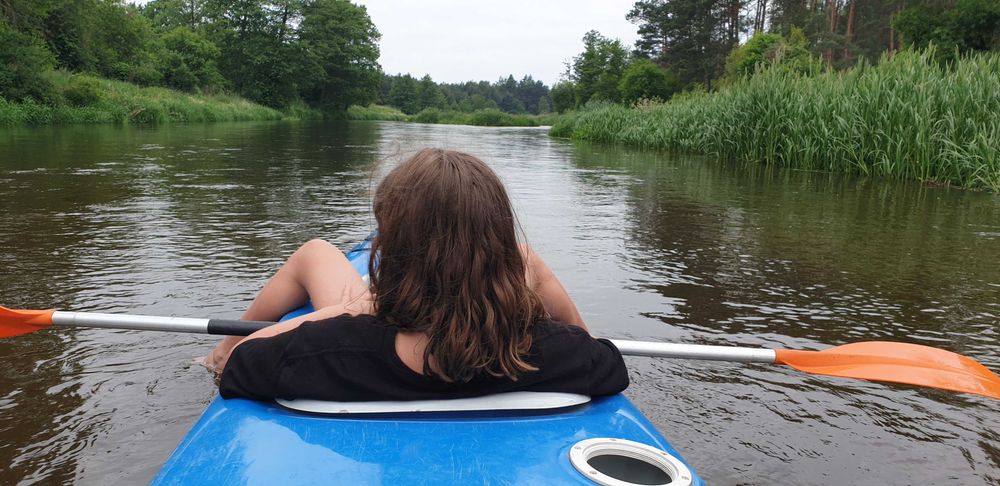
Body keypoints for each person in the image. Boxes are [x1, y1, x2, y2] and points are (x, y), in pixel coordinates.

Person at [207, 148, 628, 401]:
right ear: (499, 253)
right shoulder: (567, 356)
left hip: (372, 315)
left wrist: (358, 307)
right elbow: (602, 357)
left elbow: (241, 364)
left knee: (316, 251)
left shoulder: (322, 353)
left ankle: (211, 349)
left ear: (389, 251)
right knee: (528, 258)